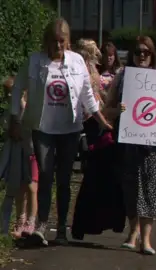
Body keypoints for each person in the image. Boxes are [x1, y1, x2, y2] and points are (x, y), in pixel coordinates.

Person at [9, 18, 113, 246]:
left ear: (68, 41)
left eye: (62, 41)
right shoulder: (35, 61)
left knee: (64, 180)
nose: (57, 46)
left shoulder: (77, 62)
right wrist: (15, 118)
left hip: (69, 129)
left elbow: (87, 96)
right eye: (53, 41)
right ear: (46, 41)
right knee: (45, 176)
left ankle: (62, 229)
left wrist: (102, 121)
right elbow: (18, 88)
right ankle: (42, 227)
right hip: (42, 128)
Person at [105, 36, 156, 255]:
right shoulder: (123, 76)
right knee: (130, 189)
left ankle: (146, 240)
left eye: (146, 52)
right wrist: (118, 111)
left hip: (154, 146)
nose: (142, 56)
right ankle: (133, 233)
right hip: (129, 142)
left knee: (151, 190)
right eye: (138, 52)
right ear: (132, 55)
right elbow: (107, 109)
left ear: (153, 55)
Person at [71, 39, 125, 241]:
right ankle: (90, 223)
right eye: (89, 51)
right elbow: (90, 102)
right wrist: (102, 119)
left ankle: (97, 222)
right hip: (91, 126)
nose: (93, 55)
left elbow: (96, 101)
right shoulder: (82, 70)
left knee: (100, 175)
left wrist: (103, 118)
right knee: (94, 175)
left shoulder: (93, 70)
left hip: (99, 124)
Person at [0, 76, 39, 238]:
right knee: (19, 188)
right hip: (17, 151)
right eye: (7, 93)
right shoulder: (11, 110)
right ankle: (19, 220)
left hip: (31, 150)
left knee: (31, 187)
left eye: (11, 92)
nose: (9, 96)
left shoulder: (30, 107)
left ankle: (31, 222)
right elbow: (5, 127)